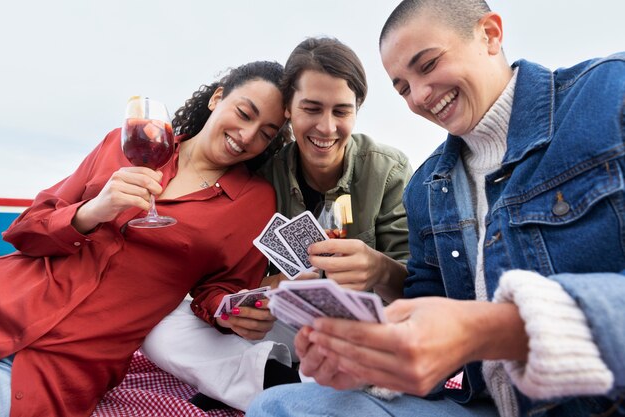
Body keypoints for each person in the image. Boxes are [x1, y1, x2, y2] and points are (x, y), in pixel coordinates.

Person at [246, 1, 625, 417]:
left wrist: (490, 330)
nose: (421, 97)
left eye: (427, 65)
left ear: (491, 34)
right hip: (477, 401)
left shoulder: (610, 93)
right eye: (403, 87)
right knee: (278, 407)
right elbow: (424, 308)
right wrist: (376, 362)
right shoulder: (427, 186)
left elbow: (451, 323)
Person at [0, 60, 287, 417]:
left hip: (59, 367)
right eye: (244, 114)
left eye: (266, 133)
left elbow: (220, 293)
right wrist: (91, 212)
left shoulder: (253, 201)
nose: (247, 136)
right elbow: (26, 231)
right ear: (217, 98)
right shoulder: (124, 144)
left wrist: (231, 315)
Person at [140, 36, 413, 412]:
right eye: (311, 109)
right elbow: (230, 280)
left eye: (341, 111)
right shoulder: (262, 177)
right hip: (295, 323)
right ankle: (284, 386)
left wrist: (379, 268)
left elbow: (419, 291)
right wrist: (254, 300)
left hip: (370, 329)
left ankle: (280, 386)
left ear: (357, 110)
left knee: (371, 346)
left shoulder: (388, 170)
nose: (326, 127)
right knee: (163, 326)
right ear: (288, 111)